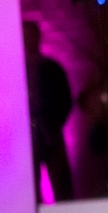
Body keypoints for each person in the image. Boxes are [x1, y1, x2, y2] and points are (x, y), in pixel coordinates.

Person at [23, 21, 74, 202]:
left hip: (49, 133)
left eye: (30, 35)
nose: (28, 40)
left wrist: (52, 126)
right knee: (30, 191)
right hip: (27, 137)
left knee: (61, 188)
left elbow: (65, 101)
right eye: (25, 36)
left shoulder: (52, 68)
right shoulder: (15, 70)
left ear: (38, 37)